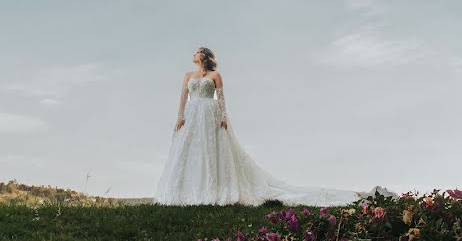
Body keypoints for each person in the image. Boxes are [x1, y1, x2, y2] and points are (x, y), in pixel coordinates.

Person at [153, 47, 398, 206]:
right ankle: (188, 190)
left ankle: (214, 188)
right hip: (193, 113)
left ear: (205, 57)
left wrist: (225, 117)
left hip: (210, 112)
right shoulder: (188, 75)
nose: (194, 55)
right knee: (190, 151)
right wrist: (180, 116)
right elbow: (182, 96)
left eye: (197, 52)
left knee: (210, 150)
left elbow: (222, 98)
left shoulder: (215, 76)